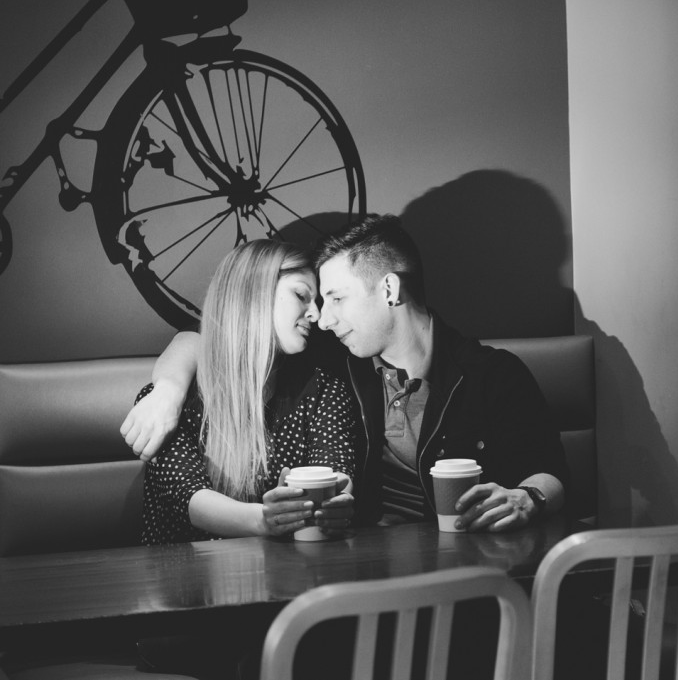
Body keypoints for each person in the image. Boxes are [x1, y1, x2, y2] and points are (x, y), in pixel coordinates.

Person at [123, 216, 568, 533]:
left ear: (389, 289)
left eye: (336, 298)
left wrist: (527, 498)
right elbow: (219, 343)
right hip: (366, 568)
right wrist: (168, 387)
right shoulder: (336, 362)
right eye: (313, 299)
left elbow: (550, 471)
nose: (323, 317)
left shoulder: (491, 374)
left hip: (473, 559)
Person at [138, 239, 357, 544]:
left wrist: (336, 503)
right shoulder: (170, 401)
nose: (316, 315)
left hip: (288, 575)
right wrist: (265, 519)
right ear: (255, 291)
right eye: (301, 295)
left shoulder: (323, 391)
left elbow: (335, 473)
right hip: (186, 578)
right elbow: (190, 498)